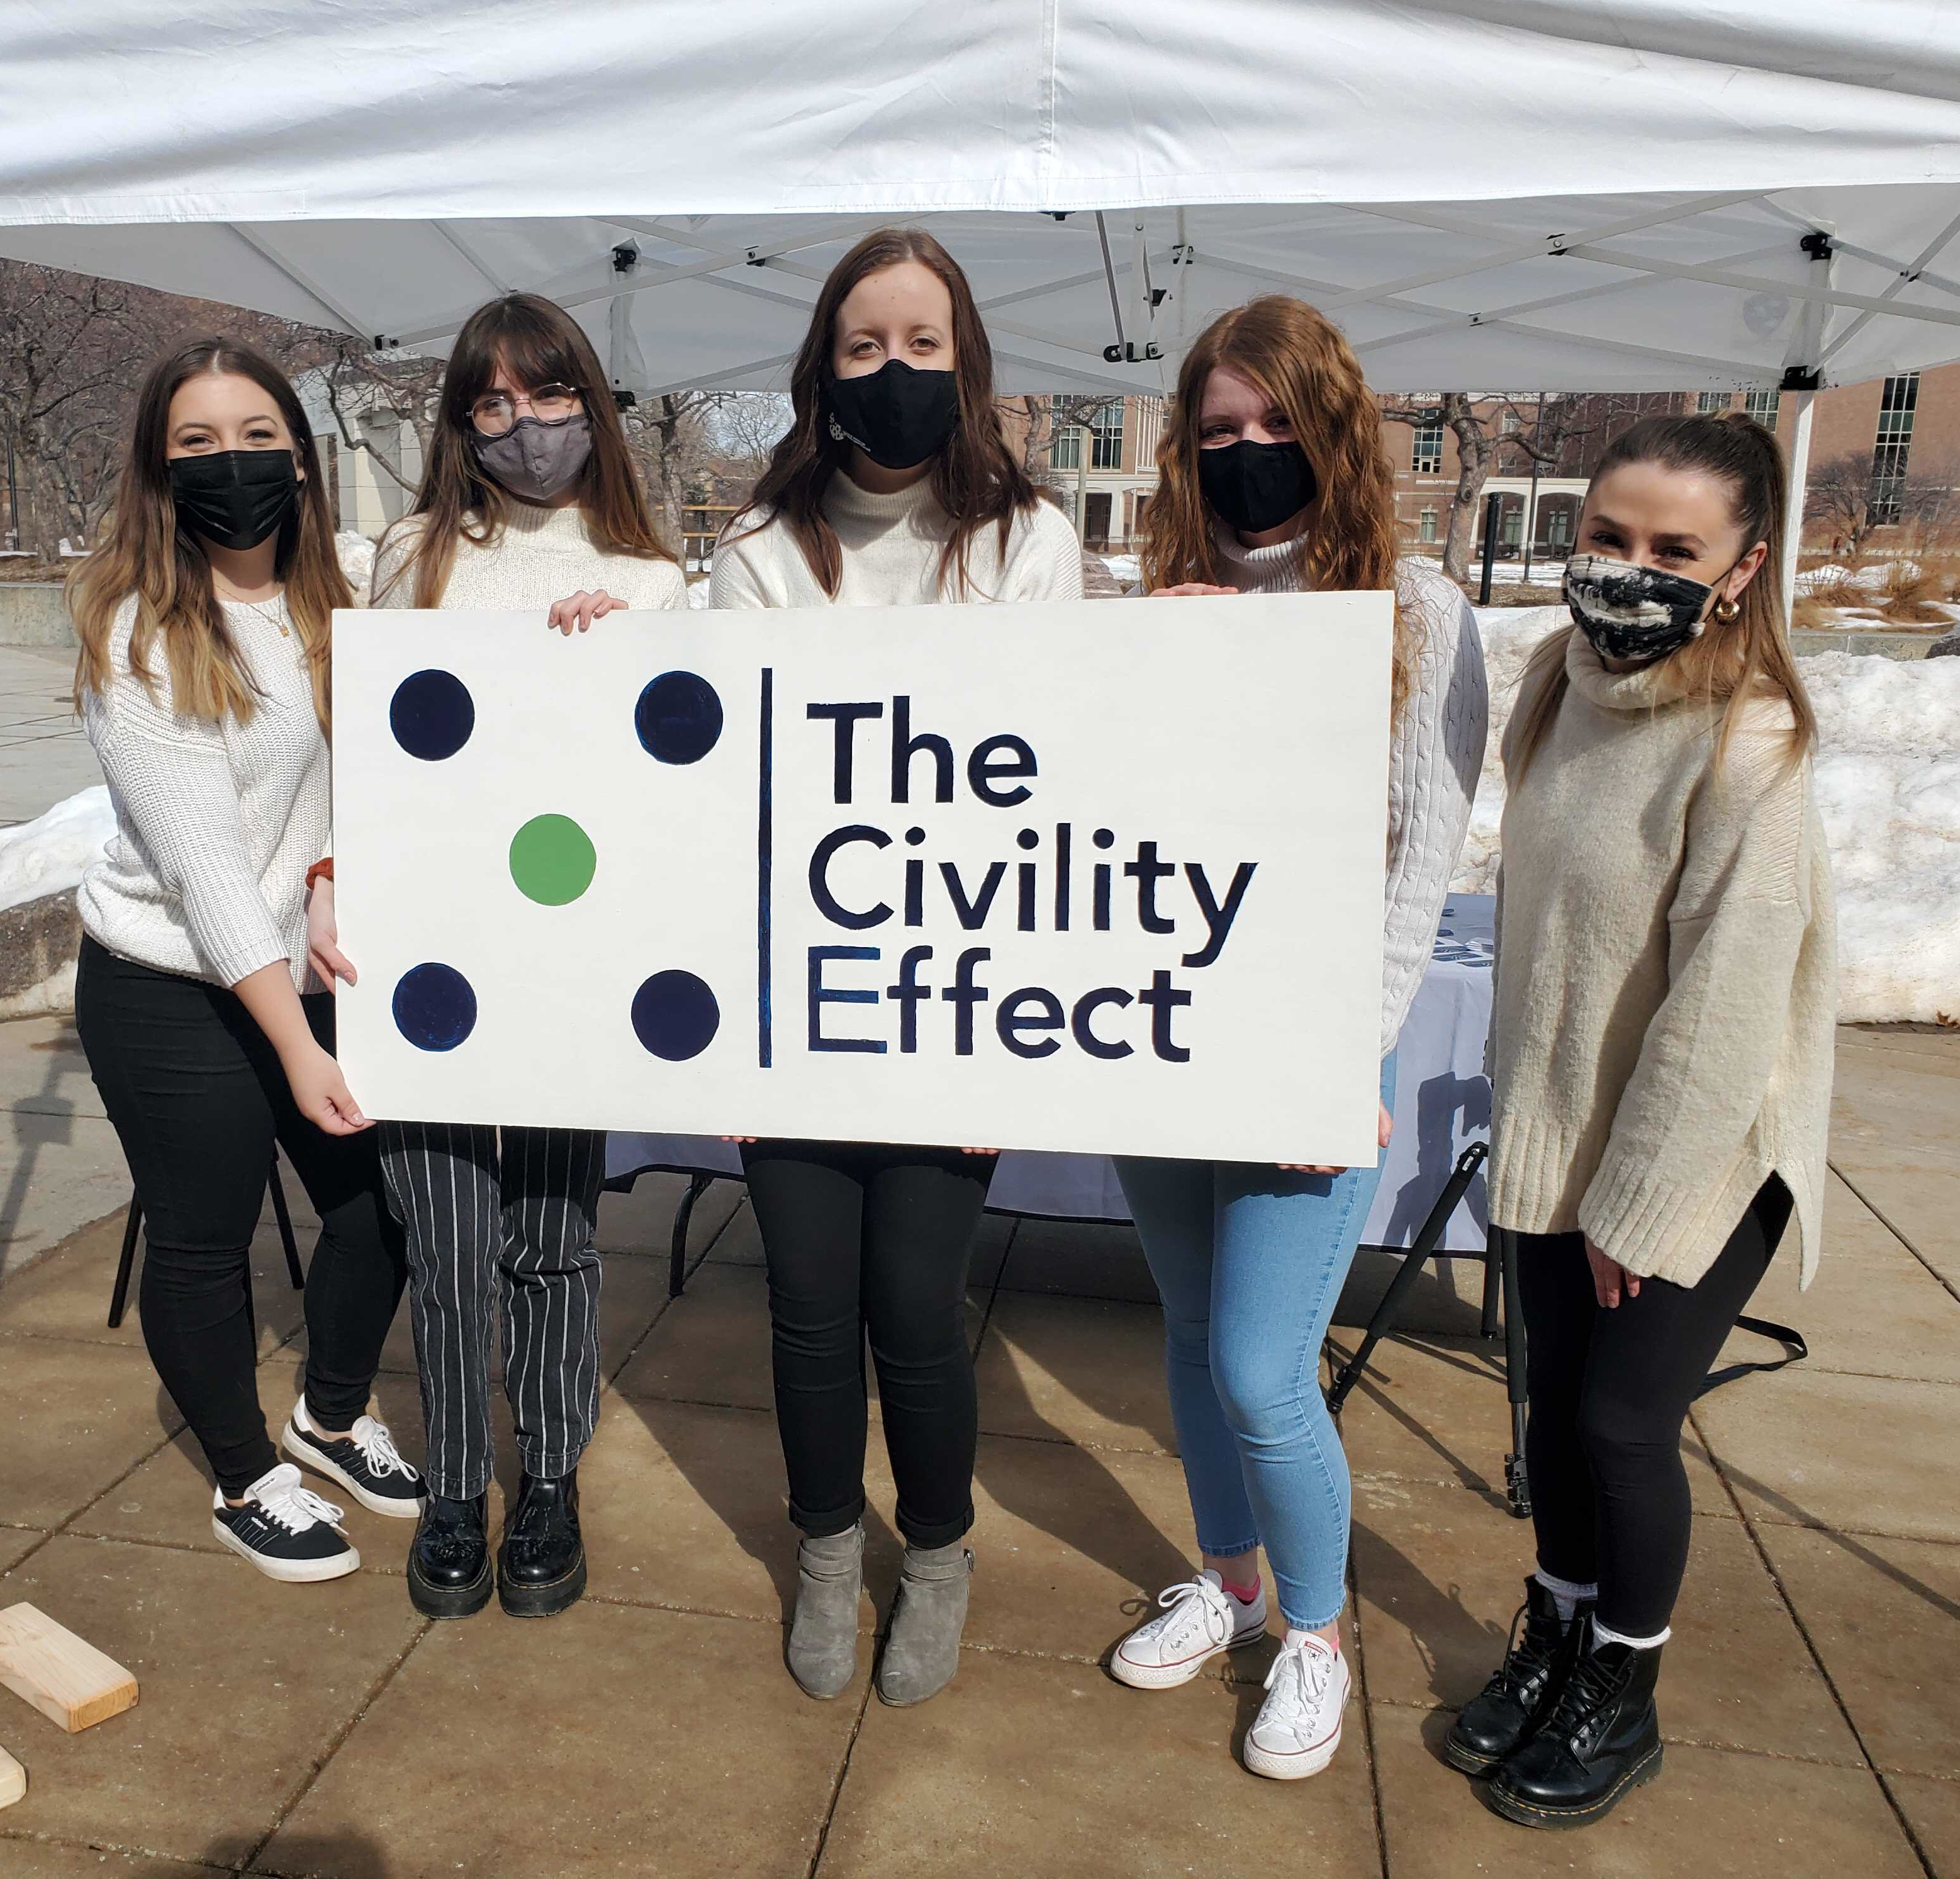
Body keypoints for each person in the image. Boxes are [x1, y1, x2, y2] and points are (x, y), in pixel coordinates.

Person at [1100, 296, 1488, 1781]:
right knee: (1195, 1342)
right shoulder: (1160, 600)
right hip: (1162, 1031)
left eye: (1276, 425)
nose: (1249, 452)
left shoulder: (1420, 613)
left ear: (1333, 429)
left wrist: (1347, 1058)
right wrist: (1150, 667)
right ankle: (1235, 1580)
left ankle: (1317, 1637)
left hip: (1302, 1048)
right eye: (1219, 432)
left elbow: (1415, 872)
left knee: (1267, 1366)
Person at [709, 226, 1083, 1705]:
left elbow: (1055, 785)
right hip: (796, 997)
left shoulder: (1033, 544)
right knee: (807, 1308)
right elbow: (722, 787)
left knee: (915, 1311)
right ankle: (820, 1547)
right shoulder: (754, 555)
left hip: (955, 994)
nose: (895, 369)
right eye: (865, 345)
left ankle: (936, 1552)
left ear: (967, 360)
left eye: (923, 344)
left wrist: (1002, 1030)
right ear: (824, 366)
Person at [1447, 411, 1835, 1829]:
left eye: (1676, 548)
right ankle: (1554, 1630)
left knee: (1622, 1422)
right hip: (1561, 1127)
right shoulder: (1559, 679)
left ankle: (1623, 1686)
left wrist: (1644, 1199)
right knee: (1554, 1408)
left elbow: (1728, 1002)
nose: (1631, 567)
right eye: (1611, 537)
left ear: (1741, 569)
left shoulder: (1753, 742)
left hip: (1701, 1151)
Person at [320, 291, 686, 1622]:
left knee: (553, 1241)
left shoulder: (651, 577)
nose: (524, 427)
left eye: (547, 397)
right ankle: (455, 1484)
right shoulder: (411, 553)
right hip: (431, 948)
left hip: (566, 962)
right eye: (491, 404)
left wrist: (628, 657)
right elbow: (365, 753)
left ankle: (550, 1482)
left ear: (592, 405)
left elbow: (663, 771)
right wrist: (329, 878)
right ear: (460, 422)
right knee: (448, 1239)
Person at [70, 337, 418, 1585]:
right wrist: (296, 1044)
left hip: (306, 970)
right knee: (204, 1241)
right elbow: (208, 871)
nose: (234, 466)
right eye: (199, 446)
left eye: (258, 438)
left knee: (385, 1207)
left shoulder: (344, 603)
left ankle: (328, 1418)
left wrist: (329, 881)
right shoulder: (140, 630)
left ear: (304, 460)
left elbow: (355, 786)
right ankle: (242, 1474)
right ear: (161, 475)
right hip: (173, 980)